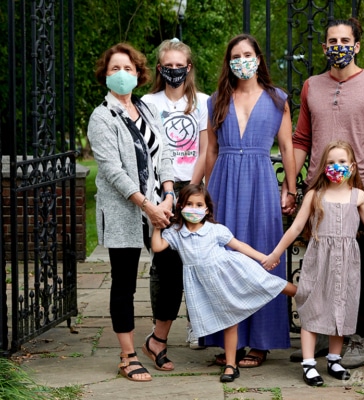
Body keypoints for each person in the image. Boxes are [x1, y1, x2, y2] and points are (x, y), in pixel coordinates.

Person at [289, 17, 364, 362]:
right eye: (332, 41)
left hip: (362, 188)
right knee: (320, 264)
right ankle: (324, 335)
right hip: (319, 189)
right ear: (324, 47)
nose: (338, 46)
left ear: (357, 46)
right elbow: (301, 139)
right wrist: (289, 186)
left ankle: (362, 337)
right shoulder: (311, 86)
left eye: (346, 40)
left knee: (362, 269)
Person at [263, 141, 364, 385]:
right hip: (319, 260)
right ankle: (309, 365)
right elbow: (297, 227)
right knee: (312, 307)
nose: (336, 167)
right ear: (323, 168)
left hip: (347, 262)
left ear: (352, 167)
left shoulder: (359, 196)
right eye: (331, 162)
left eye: (342, 162)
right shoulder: (315, 195)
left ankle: (334, 359)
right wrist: (276, 253)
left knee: (341, 309)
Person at [204, 33, 297, 368]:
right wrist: (204, 194)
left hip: (261, 182)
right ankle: (230, 340)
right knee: (225, 260)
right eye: (235, 56)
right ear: (229, 63)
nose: (242, 60)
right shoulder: (216, 99)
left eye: (247, 54)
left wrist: (290, 186)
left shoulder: (277, 99)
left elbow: (287, 147)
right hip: (224, 183)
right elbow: (211, 150)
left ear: (258, 58)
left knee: (262, 255)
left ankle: (261, 341)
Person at [87, 43, 175, 382]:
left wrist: (167, 194)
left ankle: (157, 339)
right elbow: (112, 170)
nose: (122, 74)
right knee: (123, 282)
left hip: (158, 204)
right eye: (114, 69)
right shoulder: (101, 117)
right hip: (127, 210)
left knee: (171, 268)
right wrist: (147, 206)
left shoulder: (146, 109)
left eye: (128, 68)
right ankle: (127, 355)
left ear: (138, 74)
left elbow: (164, 152)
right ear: (105, 76)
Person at [151, 184, 297, 382]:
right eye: (189, 204)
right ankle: (230, 366)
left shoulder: (215, 230)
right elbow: (158, 247)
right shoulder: (177, 233)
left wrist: (264, 258)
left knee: (270, 283)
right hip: (208, 286)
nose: (194, 208)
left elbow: (238, 245)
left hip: (233, 273)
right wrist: (157, 227)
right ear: (180, 207)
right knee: (229, 322)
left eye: (199, 204)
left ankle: (303, 294)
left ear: (207, 209)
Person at [140, 38, 209, 370]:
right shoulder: (146, 103)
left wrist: (193, 190)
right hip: (159, 191)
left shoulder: (205, 103)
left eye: (179, 65)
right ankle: (159, 337)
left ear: (189, 67)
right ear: (159, 68)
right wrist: (166, 192)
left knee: (200, 260)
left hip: (195, 190)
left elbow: (208, 150)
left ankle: (202, 327)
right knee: (166, 264)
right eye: (168, 65)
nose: (174, 71)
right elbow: (146, 152)